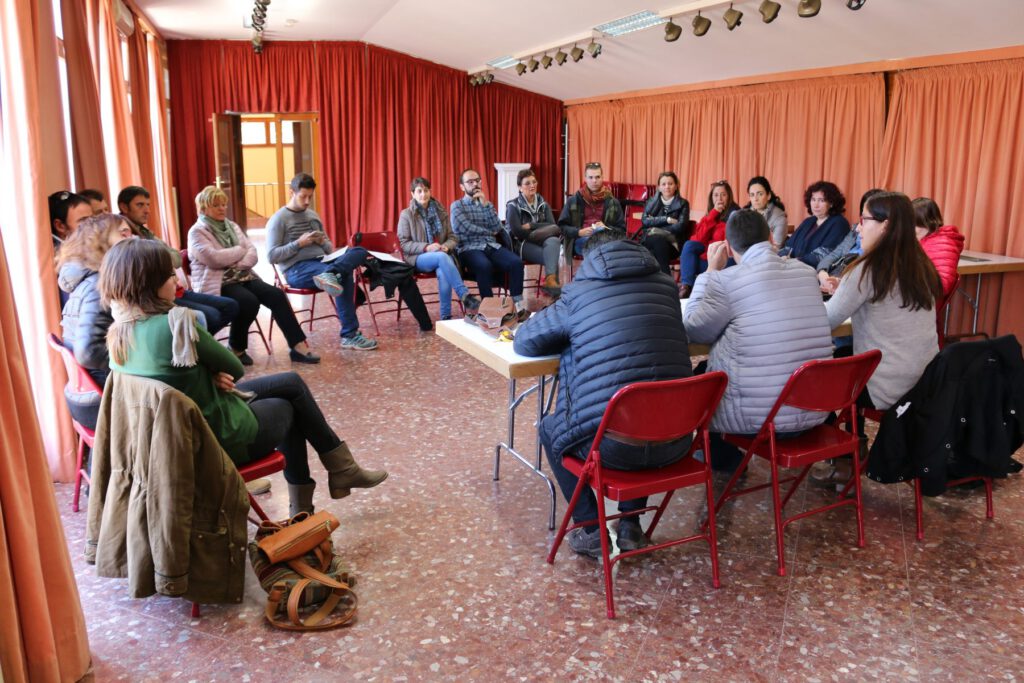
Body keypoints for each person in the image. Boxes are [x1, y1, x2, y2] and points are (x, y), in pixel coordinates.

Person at [98, 238, 388, 516]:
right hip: (214, 439)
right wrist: (209, 371)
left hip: (168, 444)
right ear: (150, 284)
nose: (177, 281)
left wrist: (201, 372)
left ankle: (338, 474)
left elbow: (172, 378)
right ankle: (310, 501)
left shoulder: (118, 334)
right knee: (290, 406)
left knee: (291, 383)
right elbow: (234, 369)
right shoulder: (177, 325)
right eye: (168, 276)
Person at [514, 229, 694, 557]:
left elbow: (525, 340)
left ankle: (590, 528)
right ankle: (629, 527)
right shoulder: (666, 287)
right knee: (643, 408)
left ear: (592, 258)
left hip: (612, 446)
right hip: (678, 441)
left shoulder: (579, 293)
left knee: (550, 427)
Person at [682, 209, 834, 473]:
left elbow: (693, 329)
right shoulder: (806, 273)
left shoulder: (726, 281)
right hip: (816, 409)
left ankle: (724, 460)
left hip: (759, 421)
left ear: (727, 247)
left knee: (702, 376)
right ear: (770, 238)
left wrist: (709, 273)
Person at [267, 173, 429, 350]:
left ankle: (330, 274)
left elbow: (328, 247)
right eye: (303, 196)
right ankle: (349, 334)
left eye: (310, 197)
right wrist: (298, 243)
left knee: (358, 251)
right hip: (297, 269)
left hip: (323, 262)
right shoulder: (278, 220)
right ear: (292, 192)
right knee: (344, 277)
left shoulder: (312, 215)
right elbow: (271, 256)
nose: (307, 201)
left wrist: (323, 242)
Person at [825, 191, 941, 411]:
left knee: (823, 366)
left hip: (885, 387)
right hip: (926, 381)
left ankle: (846, 438)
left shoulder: (867, 269)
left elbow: (827, 320)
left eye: (863, 220)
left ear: (885, 226)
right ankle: (855, 435)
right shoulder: (921, 264)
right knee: (844, 354)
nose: (858, 228)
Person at [187, 185, 320, 365]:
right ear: (203, 208)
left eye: (224, 205)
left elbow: (252, 252)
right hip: (217, 283)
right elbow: (214, 259)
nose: (222, 209)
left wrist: (236, 261)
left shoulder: (231, 226)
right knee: (248, 301)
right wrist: (238, 251)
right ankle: (236, 348)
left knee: (277, 295)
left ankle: (297, 346)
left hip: (243, 275)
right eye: (216, 205)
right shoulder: (197, 232)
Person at [118, 184, 238, 334]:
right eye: (140, 205)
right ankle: (194, 349)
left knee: (231, 305)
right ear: (124, 206)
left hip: (178, 289)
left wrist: (160, 257)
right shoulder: (127, 236)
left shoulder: (144, 231)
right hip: (161, 296)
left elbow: (176, 258)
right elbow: (211, 258)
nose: (147, 210)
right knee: (211, 315)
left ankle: (198, 344)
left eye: (148, 205)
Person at [56, 213, 135, 428]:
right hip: (100, 399)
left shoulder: (87, 280)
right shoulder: (98, 286)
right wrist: (137, 358)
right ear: (100, 243)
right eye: (123, 233)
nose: (133, 237)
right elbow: (88, 352)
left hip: (84, 393)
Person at [450, 168, 529, 321]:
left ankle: (516, 306)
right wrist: (487, 232)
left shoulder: (487, 204)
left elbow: (497, 227)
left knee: (516, 263)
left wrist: (485, 205)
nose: (475, 184)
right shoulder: (457, 206)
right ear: (462, 186)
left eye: (477, 181)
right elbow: (463, 228)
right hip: (469, 248)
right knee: (484, 265)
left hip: (491, 246)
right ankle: (490, 310)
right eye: (470, 182)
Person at [397, 176, 480, 320]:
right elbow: (404, 244)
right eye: (419, 191)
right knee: (443, 258)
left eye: (426, 190)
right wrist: (427, 247)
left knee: (443, 271)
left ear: (430, 191)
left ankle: (445, 316)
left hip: (442, 256)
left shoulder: (440, 212)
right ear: (412, 194)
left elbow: (453, 237)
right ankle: (464, 294)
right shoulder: (406, 215)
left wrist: (446, 247)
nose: (423, 194)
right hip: (417, 258)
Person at [505, 169, 564, 297]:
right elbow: (517, 231)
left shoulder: (543, 204)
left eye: (534, 182)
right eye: (527, 183)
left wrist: (532, 225)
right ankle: (553, 293)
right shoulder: (513, 206)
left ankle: (551, 285)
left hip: (542, 240)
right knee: (551, 256)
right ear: (520, 188)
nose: (532, 185)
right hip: (522, 243)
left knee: (553, 240)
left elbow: (553, 226)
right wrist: (542, 230)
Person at [817, 188, 887, 295]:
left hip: (845, 283)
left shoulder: (882, 243)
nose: (859, 228)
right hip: (834, 277)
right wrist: (822, 273)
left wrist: (839, 283)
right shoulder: (855, 230)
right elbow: (834, 254)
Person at [677, 180, 739, 299]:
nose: (719, 198)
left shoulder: (735, 215)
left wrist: (710, 255)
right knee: (689, 245)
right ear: (711, 198)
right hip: (707, 259)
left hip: (724, 261)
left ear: (729, 197)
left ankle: (698, 287)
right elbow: (698, 239)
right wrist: (713, 214)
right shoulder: (709, 215)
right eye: (716, 195)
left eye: (723, 195)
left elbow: (728, 244)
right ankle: (686, 287)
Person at [557, 161, 626, 258]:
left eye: (597, 177)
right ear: (585, 178)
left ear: (602, 177)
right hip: (581, 240)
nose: (594, 181)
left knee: (602, 243)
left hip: (605, 240)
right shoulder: (573, 201)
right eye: (591, 177)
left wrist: (606, 228)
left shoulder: (613, 202)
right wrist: (578, 232)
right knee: (594, 245)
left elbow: (622, 230)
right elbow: (562, 227)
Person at [782, 180, 851, 268]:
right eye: (813, 199)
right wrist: (783, 256)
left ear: (831, 203)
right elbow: (788, 246)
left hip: (815, 272)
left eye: (821, 200)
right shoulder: (808, 221)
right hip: (793, 267)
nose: (815, 205)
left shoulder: (839, 223)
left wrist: (795, 261)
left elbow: (824, 255)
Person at [639, 171, 690, 275]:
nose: (667, 187)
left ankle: (657, 282)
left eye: (670, 184)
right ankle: (666, 280)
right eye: (664, 184)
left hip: (673, 244)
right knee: (657, 241)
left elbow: (680, 226)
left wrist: (656, 226)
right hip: (650, 240)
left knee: (656, 246)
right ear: (659, 187)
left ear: (676, 186)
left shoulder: (683, 204)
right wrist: (667, 220)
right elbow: (645, 222)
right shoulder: (651, 202)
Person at [913, 197, 964, 300]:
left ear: (927, 223)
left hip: (924, 305)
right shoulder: (924, 240)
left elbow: (941, 287)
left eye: (914, 224)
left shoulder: (942, 243)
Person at [744, 176, 787, 249]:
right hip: (746, 254)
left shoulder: (779, 217)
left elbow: (776, 246)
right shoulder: (745, 214)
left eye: (760, 194)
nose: (755, 199)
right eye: (752, 195)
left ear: (768, 196)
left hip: (767, 256)